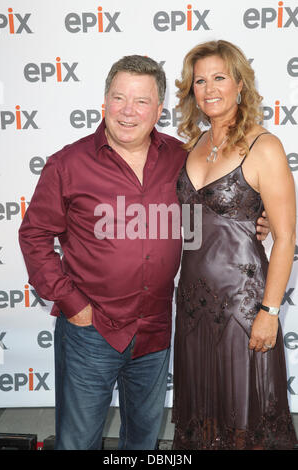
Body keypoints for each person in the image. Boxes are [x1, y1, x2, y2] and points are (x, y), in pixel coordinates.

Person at [18, 54, 269, 451]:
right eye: (119, 98)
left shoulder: (182, 158)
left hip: (155, 333)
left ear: (159, 109)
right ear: (104, 101)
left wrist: (254, 220)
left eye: (141, 101)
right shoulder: (67, 164)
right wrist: (72, 304)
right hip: (90, 331)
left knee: (144, 443)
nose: (128, 112)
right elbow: (34, 236)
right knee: (77, 441)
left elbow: (214, 211)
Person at [172, 40, 297, 450]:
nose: (209, 88)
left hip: (243, 309)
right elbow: (194, 229)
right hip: (192, 307)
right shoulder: (194, 147)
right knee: (202, 422)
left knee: (245, 418)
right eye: (200, 80)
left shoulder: (266, 147)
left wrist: (270, 311)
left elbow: (286, 238)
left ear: (240, 83)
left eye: (219, 77)